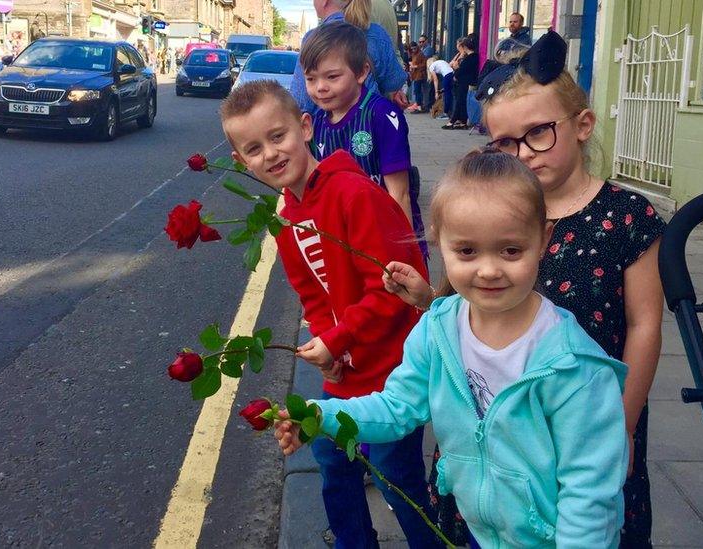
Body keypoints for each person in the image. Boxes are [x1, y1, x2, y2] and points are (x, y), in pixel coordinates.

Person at [389, 31, 667, 547]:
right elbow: (467, 309)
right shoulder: (494, 213)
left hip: (586, 418)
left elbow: (643, 323)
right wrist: (430, 301)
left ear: (582, 125)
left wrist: (621, 424)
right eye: (505, 143)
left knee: (583, 519)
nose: (523, 154)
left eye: (538, 133)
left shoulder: (626, 216)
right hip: (495, 427)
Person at [277, 148, 629, 547]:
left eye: (511, 250)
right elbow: (396, 408)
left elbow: (589, 492)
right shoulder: (439, 329)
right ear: (439, 240)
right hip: (481, 532)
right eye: (467, 251)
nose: (489, 269)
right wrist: (320, 416)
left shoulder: (572, 366)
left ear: (544, 237)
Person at [220, 79, 441, 549]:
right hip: (349, 363)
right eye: (254, 149)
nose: (271, 154)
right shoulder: (285, 215)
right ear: (242, 162)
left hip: (393, 366)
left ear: (304, 127)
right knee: (330, 456)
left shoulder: (352, 194)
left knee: (393, 475)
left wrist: (339, 338)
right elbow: (313, 295)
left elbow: (392, 293)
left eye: (278, 137)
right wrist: (329, 350)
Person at [303, 22, 426, 261]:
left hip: (385, 237)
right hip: (342, 238)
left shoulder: (382, 115)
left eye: (332, 77)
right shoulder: (315, 122)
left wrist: (403, 256)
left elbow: (399, 193)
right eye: (310, 78)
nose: (320, 88)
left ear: (361, 72)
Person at [289, 0, 408, 113]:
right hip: (370, 123)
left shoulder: (313, 37)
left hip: (325, 130)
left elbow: (300, 101)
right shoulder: (377, 34)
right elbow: (394, 82)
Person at [443, 35, 477, 129]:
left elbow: (462, 70)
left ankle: (453, 120)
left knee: (460, 101)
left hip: (465, 82)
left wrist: (457, 70)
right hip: (463, 82)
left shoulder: (471, 57)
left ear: (465, 47)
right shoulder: (471, 57)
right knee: (462, 101)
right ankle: (462, 121)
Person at [406, 41, 428, 113]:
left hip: (419, 75)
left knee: (418, 91)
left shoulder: (420, 54)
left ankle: (419, 107)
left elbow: (424, 64)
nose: (413, 50)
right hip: (415, 75)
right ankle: (419, 106)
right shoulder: (413, 54)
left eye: (414, 48)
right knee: (417, 91)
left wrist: (416, 66)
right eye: (412, 49)